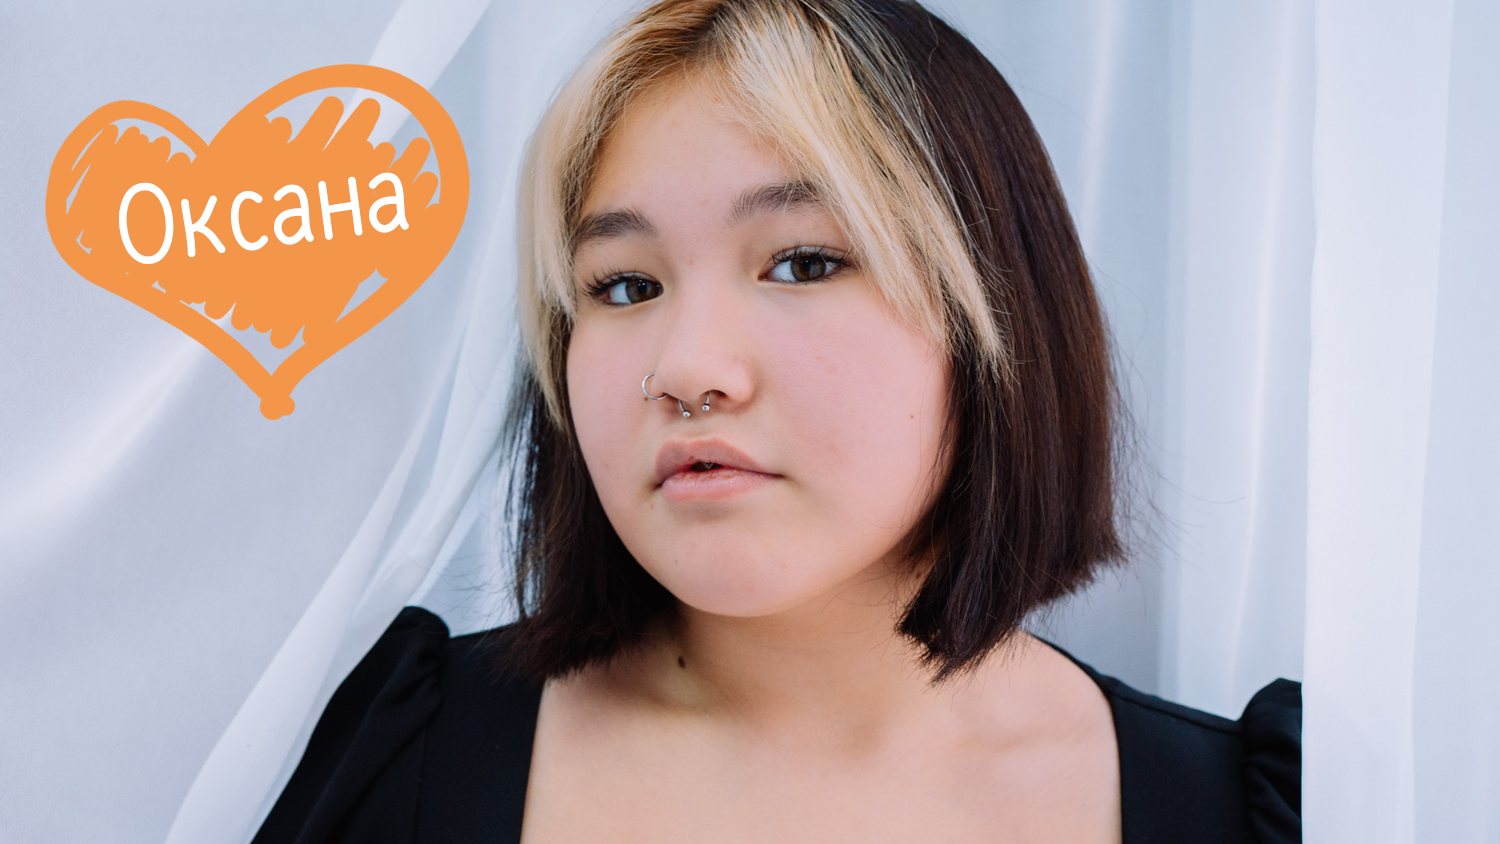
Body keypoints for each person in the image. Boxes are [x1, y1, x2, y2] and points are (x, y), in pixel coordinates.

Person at [254, 0, 1301, 841]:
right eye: (623, 286)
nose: (686, 370)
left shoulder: (1251, 810)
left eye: (802, 263)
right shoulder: (388, 756)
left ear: (997, 315)